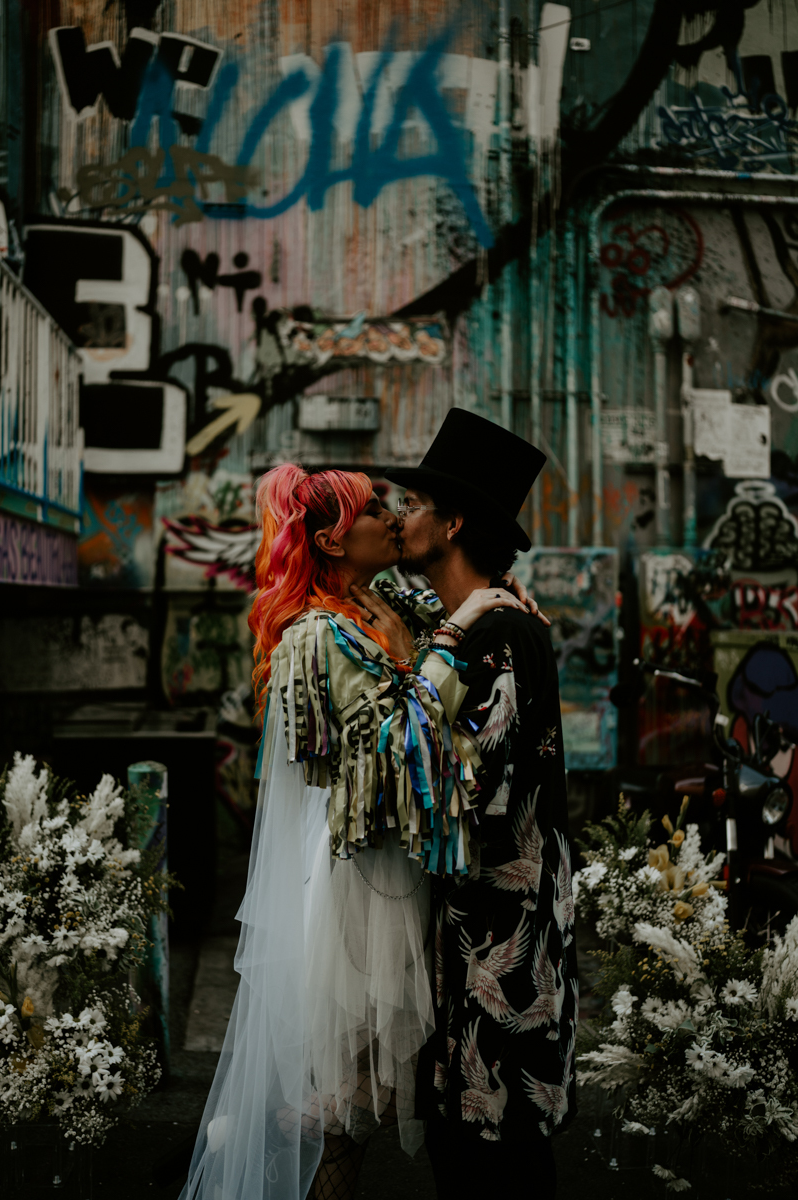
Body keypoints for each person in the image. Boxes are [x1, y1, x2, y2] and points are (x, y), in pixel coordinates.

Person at [178, 464, 537, 1200]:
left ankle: (275, 1134)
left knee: (375, 1088)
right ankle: (270, 1144)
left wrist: (491, 607)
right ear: (332, 541)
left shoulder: (380, 599)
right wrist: (468, 625)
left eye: (392, 504)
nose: (391, 517)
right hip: (364, 885)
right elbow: (396, 741)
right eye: (374, 509)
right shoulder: (318, 634)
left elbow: (456, 606)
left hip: (407, 870)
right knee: (351, 1103)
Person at [385, 408, 579, 1197]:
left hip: (502, 939)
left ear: (454, 522)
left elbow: (463, 786)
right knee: (484, 1148)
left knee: (493, 1160)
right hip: (491, 930)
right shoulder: (485, 622)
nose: (401, 520)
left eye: (416, 506)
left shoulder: (492, 633)